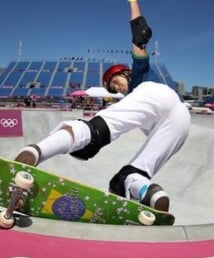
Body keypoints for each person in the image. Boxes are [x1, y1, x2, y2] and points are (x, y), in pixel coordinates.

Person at [14, 0, 190, 211]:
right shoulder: (135, 99)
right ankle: (151, 194)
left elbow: (140, 33)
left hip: (156, 95)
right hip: (181, 121)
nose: (119, 88)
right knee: (132, 175)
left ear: (126, 73)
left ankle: (37, 151)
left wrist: (133, 2)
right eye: (114, 89)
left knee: (92, 132)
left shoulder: (140, 73)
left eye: (116, 82)